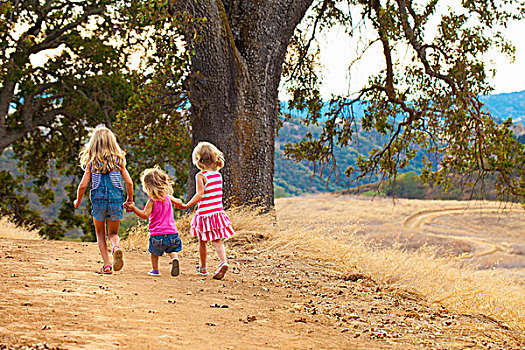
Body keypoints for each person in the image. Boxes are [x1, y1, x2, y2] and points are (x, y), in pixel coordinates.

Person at [74, 126, 133, 275]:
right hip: (115, 199)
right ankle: (115, 247)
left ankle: (107, 265)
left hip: (98, 200)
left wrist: (78, 200)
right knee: (113, 233)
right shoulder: (119, 162)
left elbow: (82, 186)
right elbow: (129, 182)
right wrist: (129, 200)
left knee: (100, 234)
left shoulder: (92, 164)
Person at [180, 141, 234, 280]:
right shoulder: (217, 175)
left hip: (205, 214)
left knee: (202, 241)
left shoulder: (201, 176)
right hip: (217, 212)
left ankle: (203, 268)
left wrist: (187, 205)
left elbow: (199, 194)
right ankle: (223, 261)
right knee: (217, 241)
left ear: (198, 160)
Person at [125, 166, 184, 277]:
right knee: (172, 249)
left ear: (148, 187)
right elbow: (179, 201)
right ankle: (174, 259)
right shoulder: (168, 197)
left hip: (157, 234)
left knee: (154, 253)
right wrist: (179, 203)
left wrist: (133, 208)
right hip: (172, 233)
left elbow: (144, 215)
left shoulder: (151, 202)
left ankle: (155, 270)